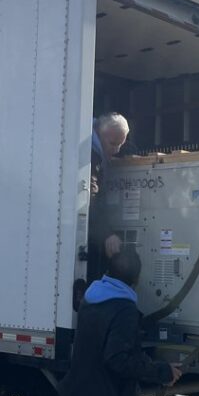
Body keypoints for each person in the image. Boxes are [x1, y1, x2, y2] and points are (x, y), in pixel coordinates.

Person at [62, 248, 182, 396]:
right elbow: (119, 359)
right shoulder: (124, 309)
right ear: (136, 279)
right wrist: (163, 371)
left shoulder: (90, 300)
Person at [89, 112, 130, 281]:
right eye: (113, 144)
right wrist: (107, 234)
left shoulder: (98, 143)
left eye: (121, 144)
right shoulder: (90, 155)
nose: (116, 150)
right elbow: (90, 200)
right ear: (98, 132)